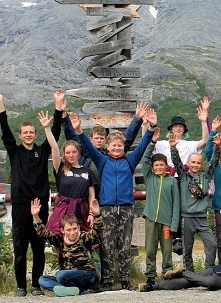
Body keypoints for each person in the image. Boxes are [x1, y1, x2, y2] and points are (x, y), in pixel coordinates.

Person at [65, 108, 158, 291]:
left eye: (119, 146)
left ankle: (124, 280)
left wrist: (151, 127)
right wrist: (79, 130)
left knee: (124, 244)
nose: (116, 148)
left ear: (124, 147)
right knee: (107, 245)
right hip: (106, 207)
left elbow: (142, 145)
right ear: (107, 148)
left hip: (126, 207)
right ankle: (107, 280)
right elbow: (88, 146)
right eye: (113, 146)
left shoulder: (130, 161)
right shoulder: (102, 161)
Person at [0, 89, 63, 297]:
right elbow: (5, 131)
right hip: (21, 204)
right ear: (21, 135)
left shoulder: (42, 151)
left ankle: (36, 286)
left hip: (39, 205)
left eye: (32, 132)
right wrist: (0, 103)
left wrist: (58, 106)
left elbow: (55, 134)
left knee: (39, 247)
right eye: (25, 132)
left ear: (36, 134)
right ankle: (21, 286)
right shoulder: (15, 152)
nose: (29, 134)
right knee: (20, 247)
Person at [138, 208, 221, 291]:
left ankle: (181, 273)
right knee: (188, 282)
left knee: (209, 282)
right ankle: (153, 286)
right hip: (217, 269)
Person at [63, 102, 147, 195]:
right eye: (96, 138)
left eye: (101, 138)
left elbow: (126, 139)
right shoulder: (84, 151)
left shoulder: (110, 154)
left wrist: (137, 119)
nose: (99, 140)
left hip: (105, 194)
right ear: (90, 139)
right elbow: (72, 136)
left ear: (106, 141)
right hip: (87, 193)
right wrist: (64, 117)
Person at [170, 128, 220, 272]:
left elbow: (214, 163)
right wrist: (173, 148)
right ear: (189, 163)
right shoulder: (184, 176)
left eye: (198, 163)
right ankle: (189, 273)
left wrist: (217, 147)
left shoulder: (205, 176)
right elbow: (177, 163)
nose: (195, 165)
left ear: (201, 164)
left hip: (202, 218)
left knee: (212, 244)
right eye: (193, 162)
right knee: (187, 249)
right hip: (187, 218)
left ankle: (209, 270)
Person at [33, 197, 103, 296]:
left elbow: (97, 230)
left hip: (87, 275)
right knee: (42, 280)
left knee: (61, 275)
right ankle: (74, 289)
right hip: (68, 277)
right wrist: (35, 216)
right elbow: (43, 233)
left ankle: (69, 288)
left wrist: (97, 215)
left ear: (78, 227)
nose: (72, 232)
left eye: (75, 229)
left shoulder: (84, 237)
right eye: (69, 230)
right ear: (63, 231)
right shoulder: (61, 240)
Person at [140, 127, 180, 286]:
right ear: (152, 167)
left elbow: (176, 204)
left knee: (167, 250)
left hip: (166, 223)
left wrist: (174, 224)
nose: (158, 167)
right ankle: (150, 275)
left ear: (166, 166)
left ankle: (167, 273)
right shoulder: (150, 178)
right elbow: (145, 159)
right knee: (150, 249)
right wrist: (152, 143)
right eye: (156, 165)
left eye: (161, 165)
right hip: (151, 219)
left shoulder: (172, 181)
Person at [153, 96, 210, 170]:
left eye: (180, 126)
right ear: (171, 129)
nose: (178, 128)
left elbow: (205, 141)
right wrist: (145, 125)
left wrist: (203, 121)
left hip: (184, 175)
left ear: (184, 130)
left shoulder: (190, 145)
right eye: (175, 126)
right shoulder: (161, 144)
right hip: (167, 175)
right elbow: (147, 145)